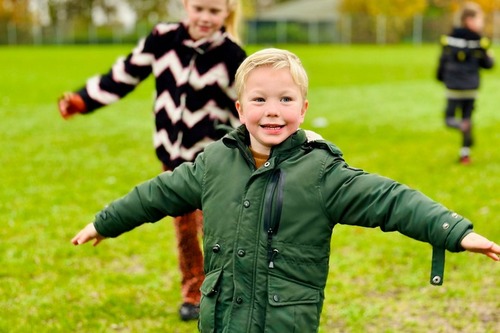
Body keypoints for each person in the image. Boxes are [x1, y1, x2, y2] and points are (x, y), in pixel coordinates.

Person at [71, 48, 500, 332]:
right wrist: (104, 222)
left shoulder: (323, 172)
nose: (272, 111)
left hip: (285, 321)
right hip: (220, 318)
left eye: (285, 100)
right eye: (259, 100)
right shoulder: (213, 163)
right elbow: (156, 195)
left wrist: (454, 230)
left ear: (304, 108)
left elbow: (389, 200)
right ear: (239, 108)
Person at [58, 0, 247, 321]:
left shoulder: (232, 56)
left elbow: (245, 107)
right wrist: (83, 100)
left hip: (212, 164)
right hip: (172, 160)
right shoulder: (163, 39)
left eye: (214, 11)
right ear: (186, 5)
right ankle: (193, 293)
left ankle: (231, 293)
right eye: (198, 8)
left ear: (227, 12)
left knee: (218, 229)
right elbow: (123, 75)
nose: (204, 17)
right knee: (185, 230)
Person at [436, 1, 494, 164]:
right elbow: (488, 65)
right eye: (480, 19)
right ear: (469, 20)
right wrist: (490, 56)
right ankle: (465, 155)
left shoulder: (448, 39)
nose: (482, 23)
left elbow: (442, 61)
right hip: (471, 88)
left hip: (453, 87)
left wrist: (441, 77)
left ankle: (461, 126)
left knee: (450, 119)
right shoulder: (480, 42)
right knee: (467, 118)